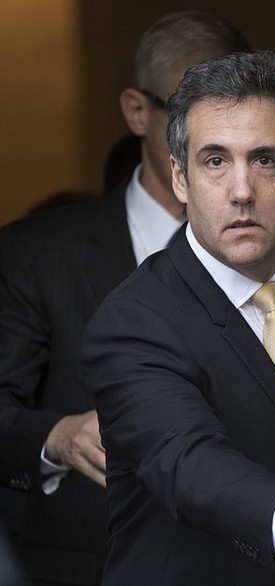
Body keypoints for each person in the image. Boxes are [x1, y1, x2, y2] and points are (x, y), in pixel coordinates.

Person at [81, 50, 275, 584]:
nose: (242, 191)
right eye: (215, 161)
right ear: (179, 178)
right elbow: (187, 461)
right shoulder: (134, 321)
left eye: (264, 160)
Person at [0, 11, 250, 585]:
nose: (215, 139)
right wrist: (56, 437)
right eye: (190, 114)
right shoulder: (37, 254)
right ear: (138, 112)